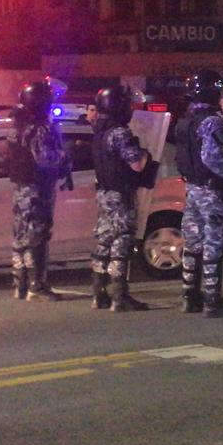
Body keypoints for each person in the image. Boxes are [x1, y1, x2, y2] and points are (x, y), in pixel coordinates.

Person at [174, 70, 223, 318]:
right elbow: (212, 158)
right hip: (211, 191)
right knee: (215, 244)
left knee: (193, 244)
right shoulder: (212, 122)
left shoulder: (187, 120)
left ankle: (189, 296)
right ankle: (213, 301)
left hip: (192, 189)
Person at [6, 79, 74, 300]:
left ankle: (21, 284)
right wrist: (66, 156)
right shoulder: (39, 129)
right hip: (37, 190)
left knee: (21, 237)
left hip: (22, 189)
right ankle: (38, 285)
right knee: (38, 236)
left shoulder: (18, 127)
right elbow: (47, 159)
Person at [90, 85, 155, 312]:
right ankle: (119, 296)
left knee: (104, 242)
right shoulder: (119, 133)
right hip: (120, 194)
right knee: (121, 243)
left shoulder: (99, 131)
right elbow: (136, 164)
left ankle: (99, 293)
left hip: (104, 194)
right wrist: (145, 152)